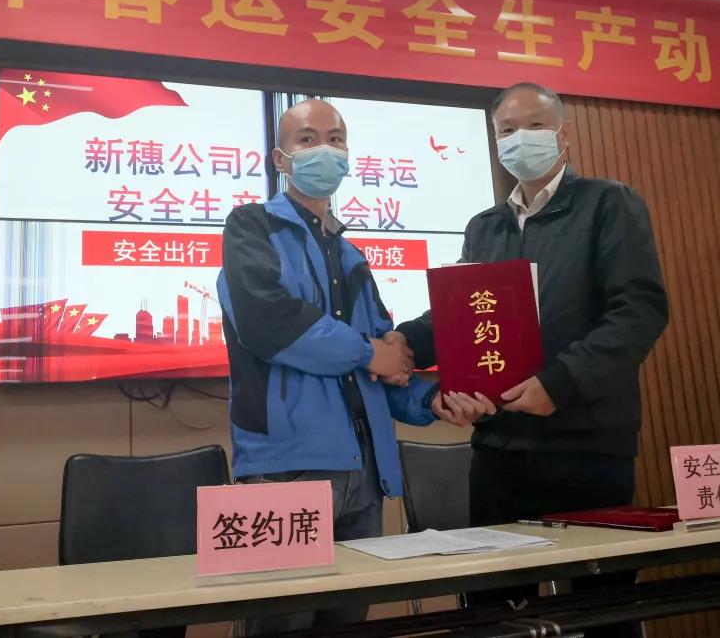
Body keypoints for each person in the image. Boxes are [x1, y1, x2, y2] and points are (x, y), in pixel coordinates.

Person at [392, 83, 669, 638]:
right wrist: (404, 343)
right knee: (498, 613)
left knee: (602, 609)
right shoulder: (485, 226)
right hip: (501, 451)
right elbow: (463, 315)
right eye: (507, 130)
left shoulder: (608, 204)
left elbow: (639, 311)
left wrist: (561, 383)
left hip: (587, 446)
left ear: (563, 134)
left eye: (535, 126)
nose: (521, 139)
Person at [217, 98, 494, 635]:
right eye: (307, 139)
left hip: (365, 474)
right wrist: (370, 352)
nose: (324, 149)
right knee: (279, 627)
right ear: (280, 158)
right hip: (282, 473)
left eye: (336, 139)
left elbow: (384, 369)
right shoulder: (250, 227)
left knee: (348, 626)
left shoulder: (351, 256)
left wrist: (432, 398)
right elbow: (267, 321)